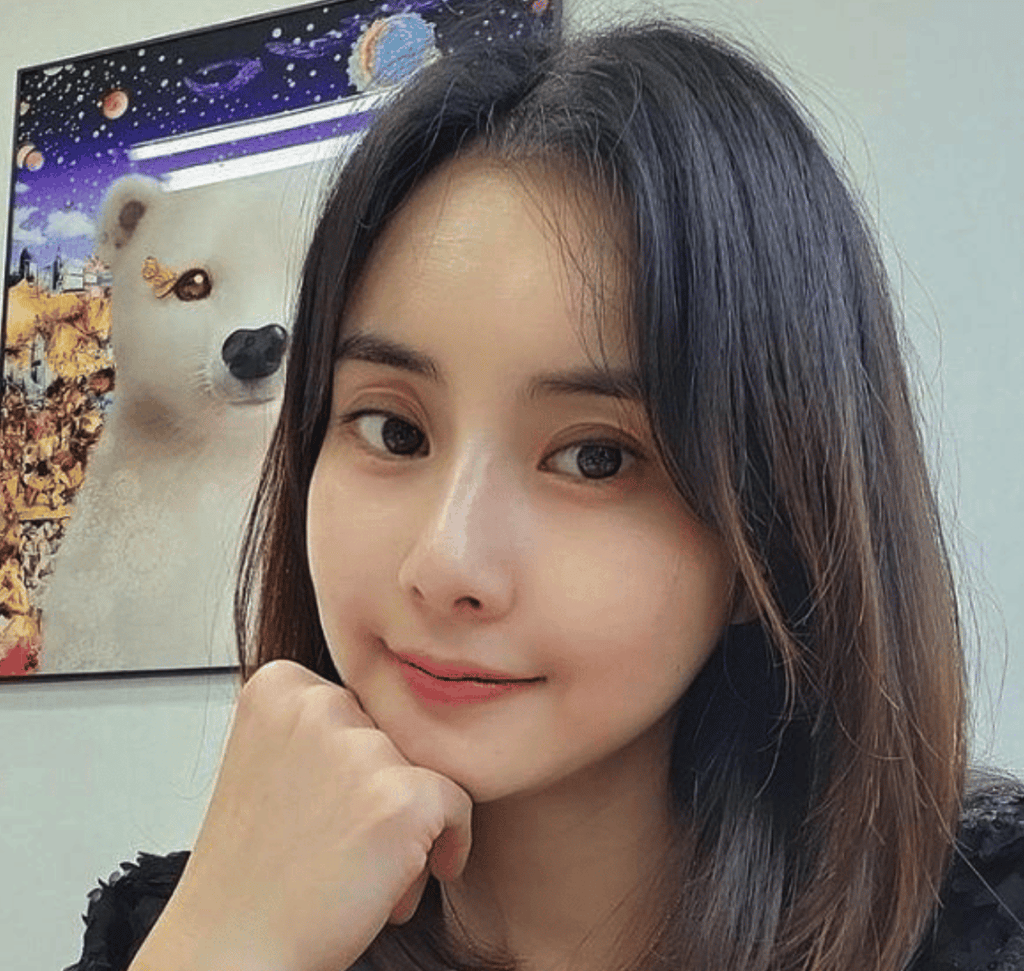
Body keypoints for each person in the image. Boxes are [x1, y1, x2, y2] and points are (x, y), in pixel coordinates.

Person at [66, 14, 1024, 971]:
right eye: (394, 431)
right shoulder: (197, 931)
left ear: (771, 529)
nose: (445, 563)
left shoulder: (979, 925)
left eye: (596, 457)